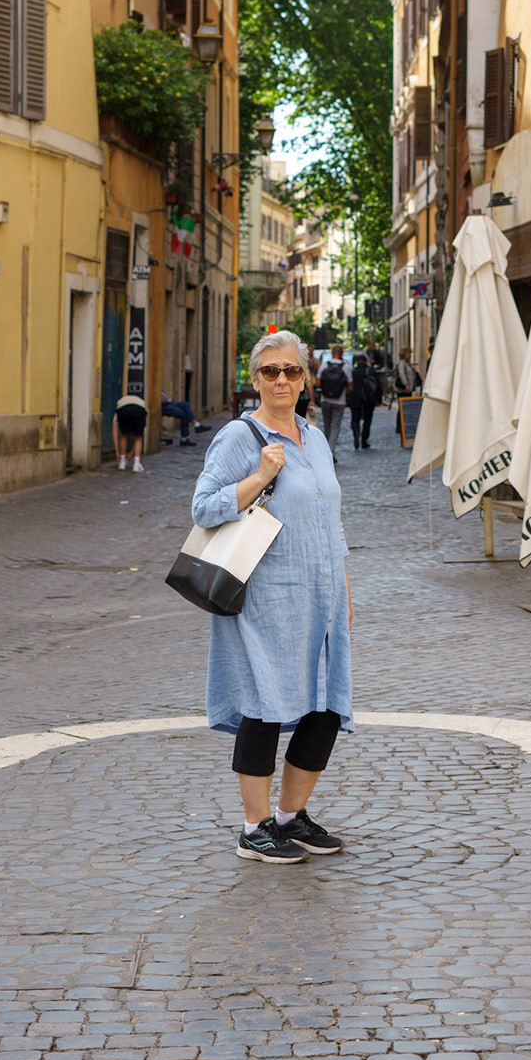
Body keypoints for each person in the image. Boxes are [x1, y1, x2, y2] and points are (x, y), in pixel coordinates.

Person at [191, 329, 352, 864]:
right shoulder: (240, 436)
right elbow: (204, 508)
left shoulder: (316, 436)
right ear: (254, 379)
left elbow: (331, 521)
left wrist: (345, 596)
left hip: (322, 597)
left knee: (323, 706)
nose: (281, 380)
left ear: (306, 377)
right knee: (264, 705)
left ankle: (291, 817)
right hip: (266, 600)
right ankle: (254, 827)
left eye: (292, 370)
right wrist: (261, 475)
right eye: (270, 372)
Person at [315, 345, 351, 451]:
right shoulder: (345, 366)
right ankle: (331, 450)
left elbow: (317, 382)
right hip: (339, 401)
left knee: (327, 425)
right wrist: (343, 393)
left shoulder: (325, 365)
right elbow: (351, 385)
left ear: (332, 353)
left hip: (325, 400)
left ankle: (325, 449)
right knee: (335, 426)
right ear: (342, 354)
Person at [349, 350, 382, 449]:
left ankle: (356, 433)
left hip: (355, 399)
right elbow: (378, 386)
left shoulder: (353, 372)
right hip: (368, 399)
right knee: (367, 420)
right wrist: (377, 399)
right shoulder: (371, 371)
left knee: (355, 419)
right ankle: (364, 440)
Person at [114, 393, 148, 473]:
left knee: (124, 435)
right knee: (138, 437)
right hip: (139, 409)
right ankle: (136, 464)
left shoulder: (119, 405)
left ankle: (122, 462)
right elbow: (140, 436)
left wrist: (117, 452)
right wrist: (131, 454)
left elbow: (114, 433)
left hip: (124, 409)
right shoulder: (141, 402)